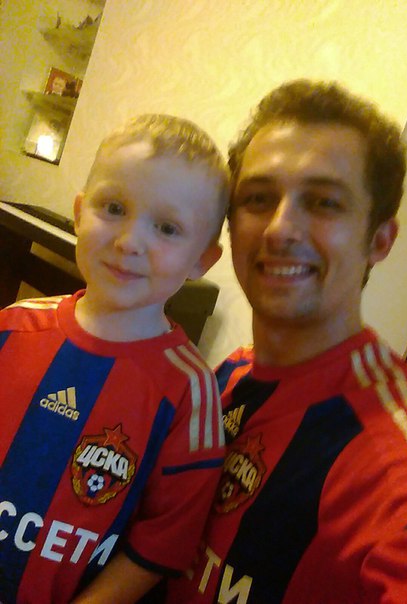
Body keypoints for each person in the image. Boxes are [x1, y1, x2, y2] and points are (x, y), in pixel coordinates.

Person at [163, 80, 407, 603]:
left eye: (323, 202)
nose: (280, 228)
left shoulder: (405, 463)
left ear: (379, 240)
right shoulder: (227, 378)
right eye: (258, 198)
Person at [0, 113, 229, 603]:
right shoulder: (11, 327)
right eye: (114, 208)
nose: (129, 242)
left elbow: (162, 544)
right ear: (79, 212)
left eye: (167, 228)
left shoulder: (190, 394)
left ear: (202, 260)